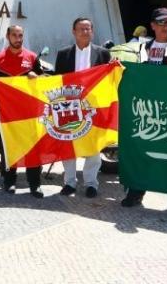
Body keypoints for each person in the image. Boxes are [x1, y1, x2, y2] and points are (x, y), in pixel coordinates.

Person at [122, 7, 167, 214]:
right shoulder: (142, 48)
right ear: (152, 25)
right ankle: (136, 191)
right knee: (142, 152)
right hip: (147, 111)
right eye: (162, 23)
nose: (166, 27)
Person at [53, 17, 111, 198]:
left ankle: (91, 184)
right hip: (69, 105)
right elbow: (57, 80)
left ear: (92, 31)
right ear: (74, 31)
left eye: (88, 29)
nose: (85, 32)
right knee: (68, 145)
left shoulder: (103, 53)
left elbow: (107, 80)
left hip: (92, 107)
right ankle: (69, 183)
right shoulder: (63, 54)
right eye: (81, 29)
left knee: (93, 147)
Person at [0, 25, 45, 198]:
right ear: (7, 36)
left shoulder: (32, 58)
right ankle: (9, 181)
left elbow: (43, 79)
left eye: (20, 35)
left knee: (32, 148)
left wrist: (36, 75)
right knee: (7, 147)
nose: (18, 38)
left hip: (28, 112)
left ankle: (35, 184)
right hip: (5, 114)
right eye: (14, 35)